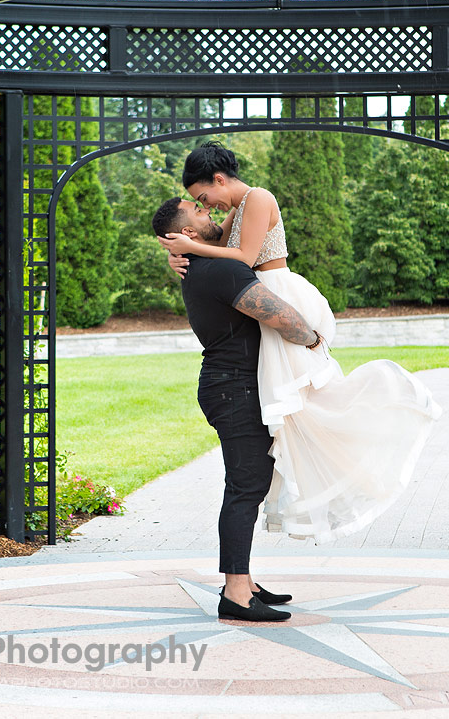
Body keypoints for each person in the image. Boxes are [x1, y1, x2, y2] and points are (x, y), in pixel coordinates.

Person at [158, 141, 442, 545]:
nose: (209, 206)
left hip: (280, 291)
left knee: (304, 394)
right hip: (259, 293)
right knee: (292, 408)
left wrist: (191, 246)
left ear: (219, 179)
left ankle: (373, 420)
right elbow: (207, 249)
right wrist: (178, 256)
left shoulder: (258, 198)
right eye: (200, 203)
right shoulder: (235, 210)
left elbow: (243, 255)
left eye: (205, 197)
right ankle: (304, 463)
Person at [151, 196, 326, 622]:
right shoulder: (222, 268)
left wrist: (176, 250)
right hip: (235, 390)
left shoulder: (202, 263)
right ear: (188, 232)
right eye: (200, 212)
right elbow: (279, 316)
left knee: (248, 484)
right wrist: (313, 338)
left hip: (229, 386)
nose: (209, 212)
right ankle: (235, 593)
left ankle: (244, 581)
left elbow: (243, 209)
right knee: (245, 487)